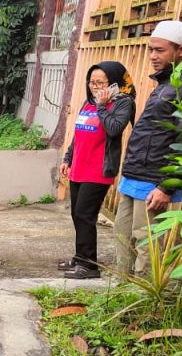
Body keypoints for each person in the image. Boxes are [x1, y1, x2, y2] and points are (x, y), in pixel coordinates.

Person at [114, 20, 182, 276]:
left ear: (181, 50)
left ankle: (143, 305)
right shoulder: (167, 82)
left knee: (147, 245)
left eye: (160, 50)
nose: (153, 56)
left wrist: (167, 186)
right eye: (151, 50)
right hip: (135, 173)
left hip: (154, 180)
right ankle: (118, 296)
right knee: (123, 238)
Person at [58, 62, 136, 279]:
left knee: (85, 214)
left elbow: (114, 129)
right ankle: (81, 257)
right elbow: (79, 132)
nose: (94, 87)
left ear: (113, 83)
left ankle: (89, 266)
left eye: (100, 82)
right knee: (77, 214)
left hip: (98, 170)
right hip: (79, 167)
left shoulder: (122, 103)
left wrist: (102, 105)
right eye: (91, 82)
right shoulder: (88, 102)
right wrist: (68, 157)